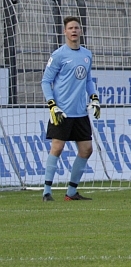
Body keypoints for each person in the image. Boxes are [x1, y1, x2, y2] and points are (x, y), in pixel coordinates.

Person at [40, 16, 101, 201]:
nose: (74, 30)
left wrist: (94, 97)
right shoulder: (58, 55)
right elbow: (46, 81)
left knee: (86, 149)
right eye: (70, 28)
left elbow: (88, 80)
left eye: (76, 27)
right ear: (65, 32)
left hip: (80, 111)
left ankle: (71, 192)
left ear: (80, 31)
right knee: (57, 148)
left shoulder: (87, 54)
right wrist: (52, 104)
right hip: (62, 111)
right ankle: (47, 192)